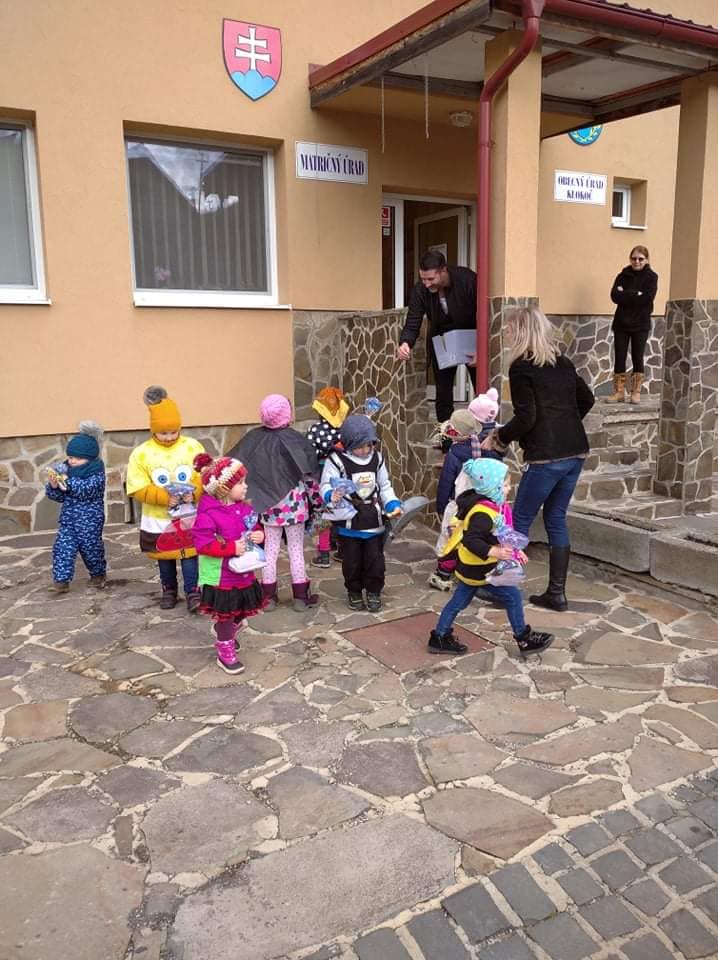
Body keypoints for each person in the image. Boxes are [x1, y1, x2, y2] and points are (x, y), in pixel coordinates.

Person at [482, 308, 594, 613]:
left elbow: (527, 418)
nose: (506, 334)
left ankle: (504, 590)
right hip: (575, 452)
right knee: (555, 518)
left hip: (546, 457)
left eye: (509, 329)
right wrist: (565, 423)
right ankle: (556, 594)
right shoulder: (563, 362)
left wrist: (499, 437)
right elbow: (587, 399)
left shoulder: (521, 367)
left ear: (520, 331)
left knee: (519, 520)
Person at [430, 458, 553, 658]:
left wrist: (515, 551)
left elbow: (500, 533)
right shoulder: (483, 513)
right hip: (479, 569)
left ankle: (439, 636)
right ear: (491, 486)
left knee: (458, 602)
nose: (509, 489)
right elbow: (471, 540)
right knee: (512, 596)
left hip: (474, 567)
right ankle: (524, 639)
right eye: (505, 485)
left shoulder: (489, 506)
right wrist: (494, 552)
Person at [231, 394, 321, 611]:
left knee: (270, 550)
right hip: (295, 507)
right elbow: (308, 474)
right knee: (296, 550)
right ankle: (300, 597)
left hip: (268, 507)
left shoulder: (255, 439)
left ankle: (268, 597)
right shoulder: (295, 440)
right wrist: (317, 500)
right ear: (287, 415)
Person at [125, 386, 205, 611]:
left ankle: (193, 592)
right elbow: (137, 486)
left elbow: (204, 474)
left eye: (173, 432)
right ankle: (169, 590)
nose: (169, 437)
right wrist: (162, 497)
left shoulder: (192, 447)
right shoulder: (141, 453)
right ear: (153, 430)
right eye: (163, 433)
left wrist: (195, 492)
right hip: (159, 518)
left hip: (189, 516)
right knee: (165, 557)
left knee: (190, 556)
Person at [191, 453, 266, 674]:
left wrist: (258, 535)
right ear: (223, 489)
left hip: (244, 571)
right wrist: (231, 548)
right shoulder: (208, 514)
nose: (245, 486)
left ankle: (225, 632)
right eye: (240, 482)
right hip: (221, 575)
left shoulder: (245, 508)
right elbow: (203, 544)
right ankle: (225, 650)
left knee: (241, 612)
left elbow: (253, 527)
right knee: (227, 613)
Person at [320, 414, 402, 612]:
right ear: (349, 443)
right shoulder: (336, 461)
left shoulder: (377, 459)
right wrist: (331, 494)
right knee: (352, 562)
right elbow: (325, 484)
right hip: (349, 520)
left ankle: (374, 591)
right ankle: (354, 591)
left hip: (373, 519)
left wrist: (391, 503)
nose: (366, 450)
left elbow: (384, 485)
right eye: (360, 446)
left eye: (369, 445)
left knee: (375, 561)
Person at [428, 398, 503, 591]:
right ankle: (469, 572)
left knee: (449, 538)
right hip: (479, 505)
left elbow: (446, 482)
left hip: (458, 505)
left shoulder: (454, 453)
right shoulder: (486, 450)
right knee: (471, 538)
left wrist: (441, 505)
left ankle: (443, 573)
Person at [397, 250, 477, 423]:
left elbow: (484, 314)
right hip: (442, 339)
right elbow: (413, 319)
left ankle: (483, 432)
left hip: (471, 336)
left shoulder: (468, 280)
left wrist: (481, 350)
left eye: (431, 279)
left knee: (482, 388)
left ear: (443, 270)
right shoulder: (421, 289)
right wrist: (405, 342)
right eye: (423, 279)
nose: (426, 284)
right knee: (443, 393)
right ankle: (445, 435)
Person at [45, 421, 107, 593]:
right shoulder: (65, 470)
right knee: (63, 547)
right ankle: (61, 581)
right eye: (71, 457)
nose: (72, 461)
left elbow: (85, 490)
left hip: (90, 520)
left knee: (91, 549)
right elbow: (59, 497)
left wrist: (66, 481)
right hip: (68, 520)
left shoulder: (96, 473)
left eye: (77, 458)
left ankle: (98, 574)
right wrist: (54, 486)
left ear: (90, 458)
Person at [607, 245, 658, 405]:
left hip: (641, 323)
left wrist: (625, 293)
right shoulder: (623, 275)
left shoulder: (651, 277)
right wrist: (636, 293)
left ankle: (635, 392)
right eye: (634, 258)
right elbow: (614, 296)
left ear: (646, 260)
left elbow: (647, 299)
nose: (637, 261)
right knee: (619, 357)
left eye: (640, 259)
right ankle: (619, 392)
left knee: (637, 356)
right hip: (621, 323)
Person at [306, 386, 350, 568]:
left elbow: (308, 454)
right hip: (342, 474)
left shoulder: (315, 430)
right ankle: (343, 550)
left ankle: (324, 553)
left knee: (322, 513)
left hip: (321, 474)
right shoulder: (347, 429)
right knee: (342, 510)